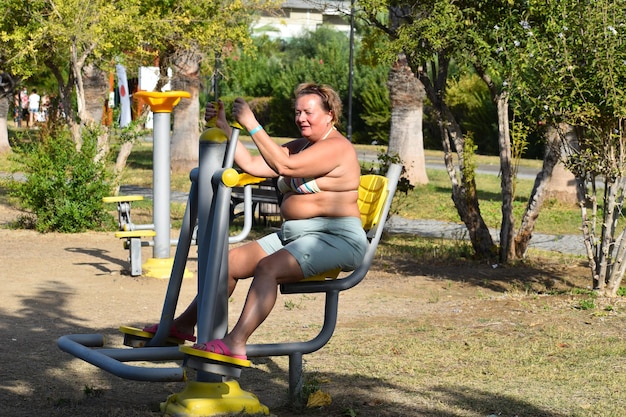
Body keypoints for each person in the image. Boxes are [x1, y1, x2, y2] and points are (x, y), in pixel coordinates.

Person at [143, 83, 367, 360]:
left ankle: (235, 342)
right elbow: (252, 164)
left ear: (330, 114)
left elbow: (286, 168)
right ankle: (184, 325)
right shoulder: (301, 146)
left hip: (336, 238)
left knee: (268, 268)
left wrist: (251, 122)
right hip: (296, 235)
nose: (301, 118)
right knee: (227, 264)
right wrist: (226, 127)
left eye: (308, 112)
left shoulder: (337, 148)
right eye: (297, 112)